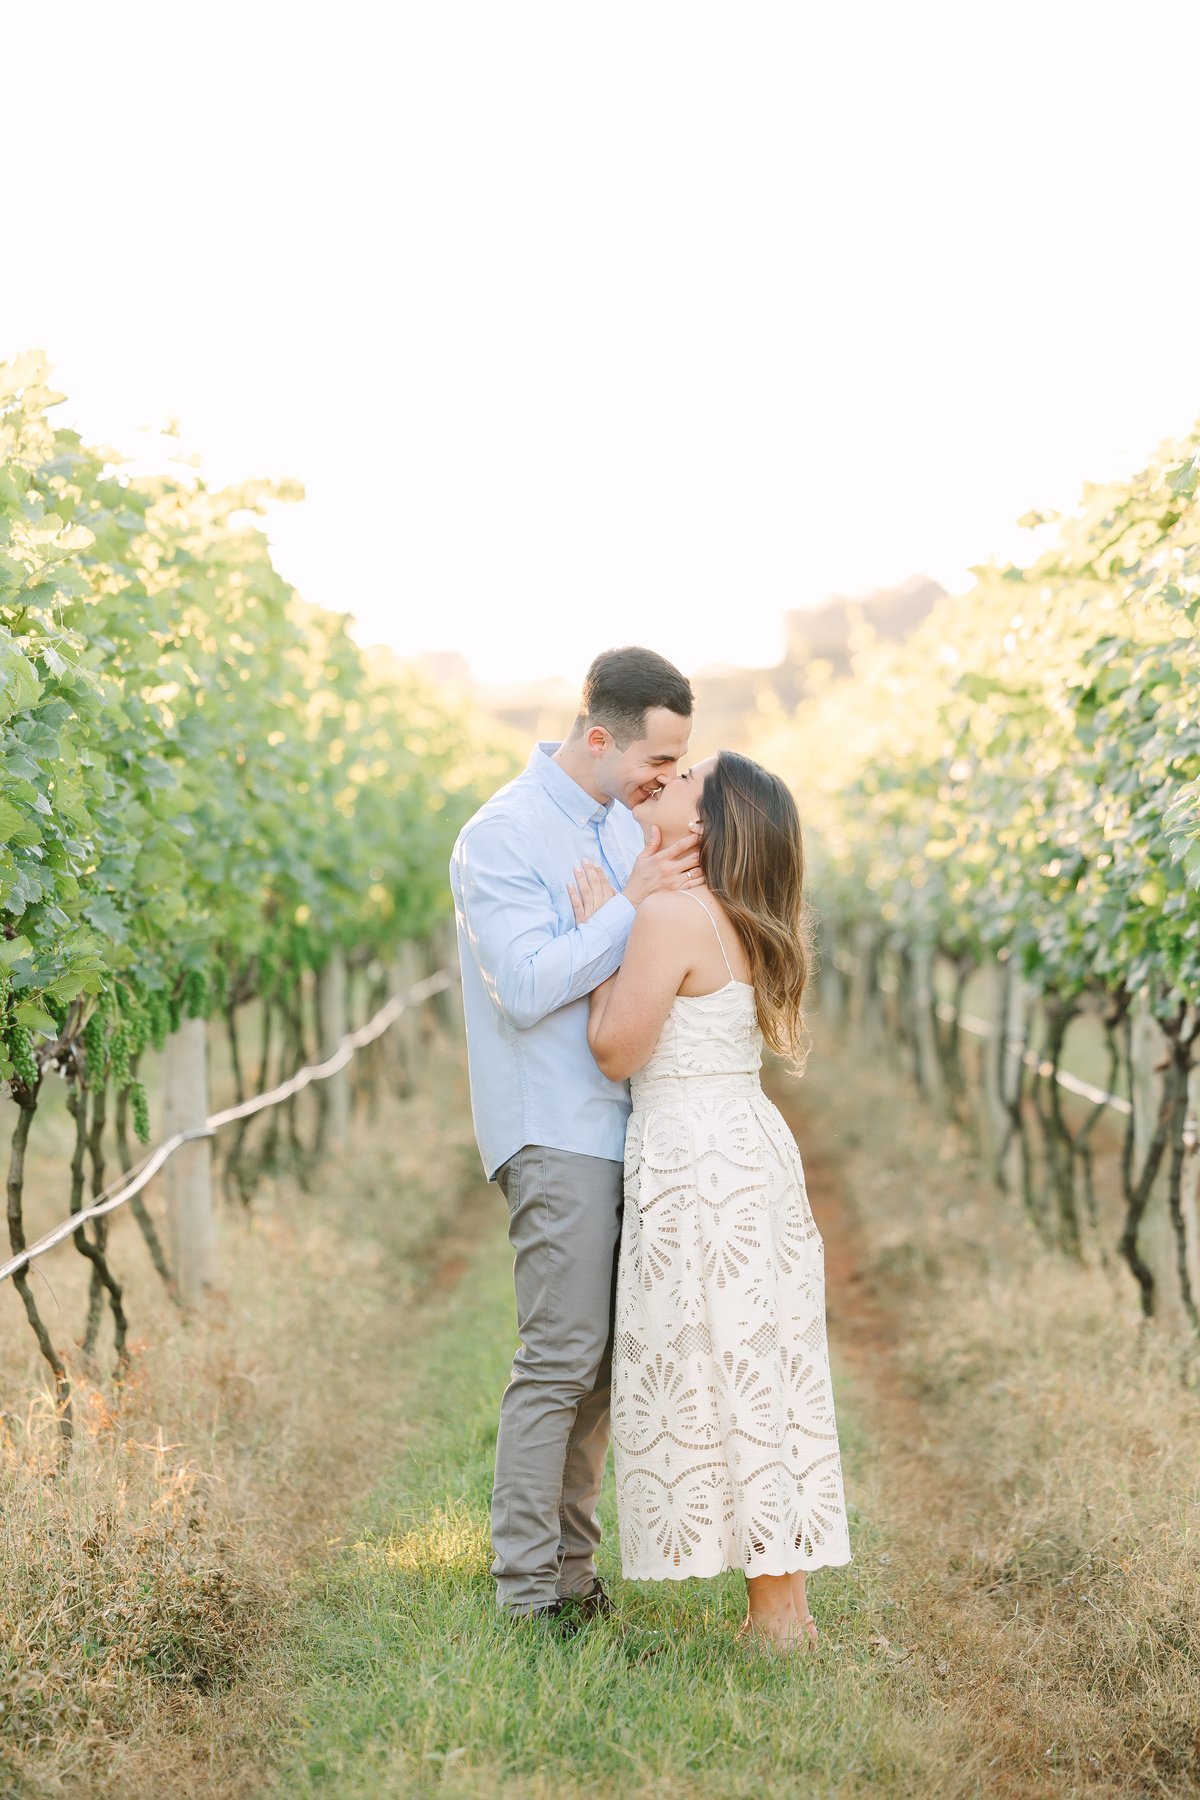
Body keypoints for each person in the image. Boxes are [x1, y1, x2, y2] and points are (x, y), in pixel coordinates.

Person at [449, 646, 703, 1626]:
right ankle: (526, 1595)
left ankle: (572, 1577)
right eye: (658, 763)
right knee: (559, 1360)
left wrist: (628, 909)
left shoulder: (615, 829)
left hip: (619, 1125)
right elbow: (525, 989)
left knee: (600, 1368)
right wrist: (629, 908)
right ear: (601, 736)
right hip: (553, 1129)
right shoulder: (502, 836)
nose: (666, 783)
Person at [577, 749, 851, 1648]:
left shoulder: (667, 915)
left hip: (696, 1157)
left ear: (703, 825)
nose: (669, 777)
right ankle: (785, 1608)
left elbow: (617, 1050)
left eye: (687, 777)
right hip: (745, 1146)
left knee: (721, 1363)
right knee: (759, 1364)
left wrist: (597, 941)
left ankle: (777, 1617)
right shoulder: (730, 913)